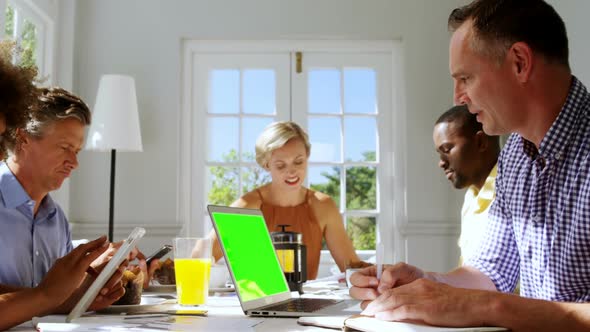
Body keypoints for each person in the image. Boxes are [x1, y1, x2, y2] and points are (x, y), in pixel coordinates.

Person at [350, 0, 590, 330]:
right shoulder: (515, 156)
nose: (457, 96)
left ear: (519, 63)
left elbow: (492, 298)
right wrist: (426, 281)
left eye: (466, 77)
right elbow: (491, 273)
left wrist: (493, 307)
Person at [0, 45, 123, 330]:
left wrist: (86, 294)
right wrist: (51, 294)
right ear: (22, 139)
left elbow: (45, 299)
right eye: (65, 148)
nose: (74, 163)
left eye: (77, 151)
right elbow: (42, 296)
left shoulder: (56, 219)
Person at [209, 121, 368, 279]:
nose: (292, 172)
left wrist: (385, 273)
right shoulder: (247, 207)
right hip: (258, 302)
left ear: (307, 156)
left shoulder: (322, 206)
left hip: (305, 303)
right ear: (266, 165)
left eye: (299, 162)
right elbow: (199, 257)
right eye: (280, 165)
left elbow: (351, 268)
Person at [433, 105, 499, 264]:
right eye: (439, 153)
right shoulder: (471, 198)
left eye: (447, 149)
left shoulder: (512, 194)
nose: (441, 163)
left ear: (480, 142)